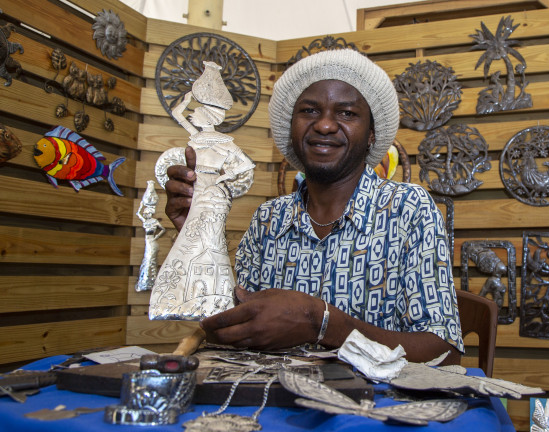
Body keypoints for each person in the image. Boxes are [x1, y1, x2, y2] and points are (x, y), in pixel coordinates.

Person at [164, 49, 463, 363]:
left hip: (375, 395)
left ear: (372, 134)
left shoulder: (409, 210)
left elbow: (444, 352)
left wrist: (321, 323)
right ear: (290, 127)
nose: (325, 125)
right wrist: (197, 237)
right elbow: (231, 323)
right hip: (277, 392)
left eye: (347, 113)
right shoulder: (268, 220)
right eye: (309, 110)